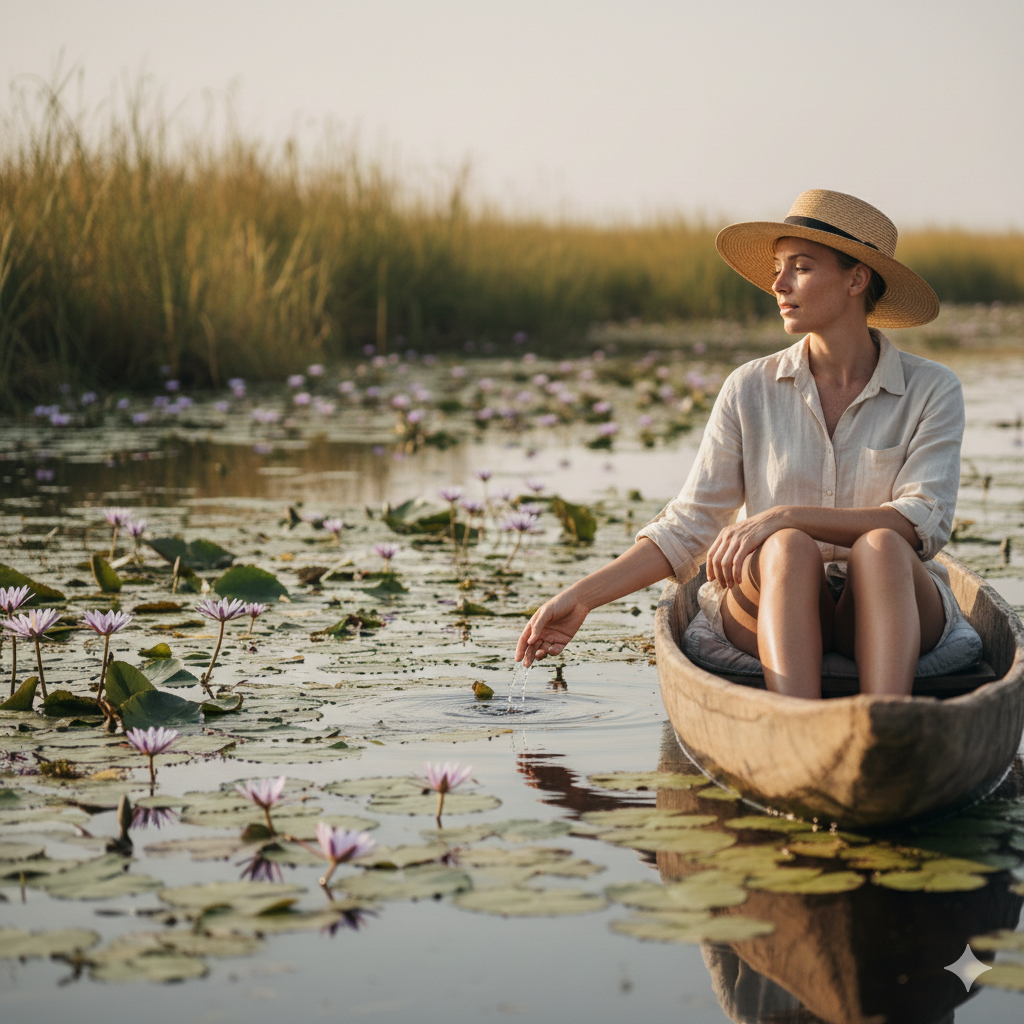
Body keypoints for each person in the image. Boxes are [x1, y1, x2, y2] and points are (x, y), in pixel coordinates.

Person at [516, 189, 966, 700]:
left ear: (856, 279)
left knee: (882, 545)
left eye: (800, 267)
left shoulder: (932, 388)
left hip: (891, 603)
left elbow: (922, 520)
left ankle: (888, 722)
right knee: (787, 549)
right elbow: (690, 526)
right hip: (773, 596)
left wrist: (783, 514)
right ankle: (792, 724)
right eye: (779, 267)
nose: (778, 284)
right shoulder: (749, 387)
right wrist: (581, 597)